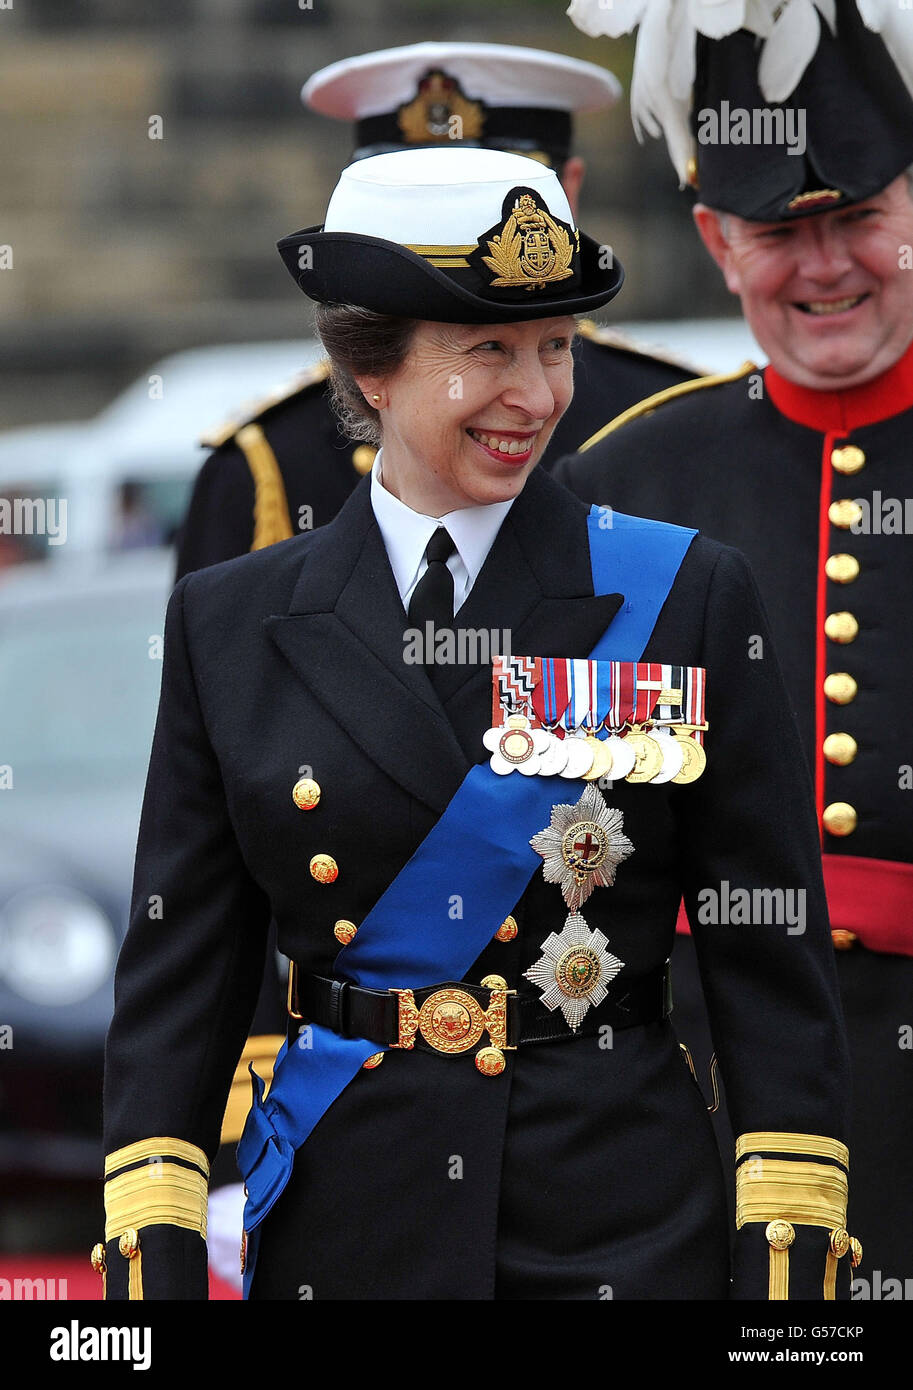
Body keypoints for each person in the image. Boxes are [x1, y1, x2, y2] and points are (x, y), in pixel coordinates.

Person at [99, 146, 852, 1302]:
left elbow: (768, 958)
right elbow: (181, 975)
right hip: (348, 1218)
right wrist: (151, 1241)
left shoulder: (687, 592)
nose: (538, 395)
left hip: (621, 1220)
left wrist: (785, 1246)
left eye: (553, 347)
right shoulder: (231, 621)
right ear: (372, 368)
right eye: (488, 351)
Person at [559, 0, 913, 1285]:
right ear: (716, 239)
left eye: (858, 218)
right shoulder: (621, 484)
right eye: (777, 231)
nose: (822, 266)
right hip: (692, 1102)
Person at [174, 41, 699, 580]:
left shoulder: (677, 421)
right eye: (416, 197)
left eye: (554, 346)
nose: (536, 399)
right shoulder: (270, 458)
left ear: (566, 194)